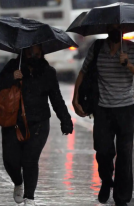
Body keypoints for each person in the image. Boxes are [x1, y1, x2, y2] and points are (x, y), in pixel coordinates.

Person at [0, 45, 73, 206]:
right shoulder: (13, 66)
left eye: (37, 52)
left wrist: (65, 120)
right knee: (10, 160)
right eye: (30, 52)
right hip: (12, 122)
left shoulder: (48, 72)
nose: (33, 55)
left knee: (30, 159)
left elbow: (56, 98)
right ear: (23, 52)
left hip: (39, 123)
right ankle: (18, 182)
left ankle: (30, 197)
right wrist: (12, 77)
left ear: (42, 52)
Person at [72, 24, 134, 206]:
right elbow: (83, 72)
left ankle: (122, 198)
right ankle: (107, 181)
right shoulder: (97, 47)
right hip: (102, 109)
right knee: (103, 151)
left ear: (123, 31)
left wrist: (128, 64)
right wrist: (75, 99)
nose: (116, 31)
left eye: (119, 28)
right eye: (113, 28)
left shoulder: (131, 48)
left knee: (125, 153)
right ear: (108, 30)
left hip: (127, 108)